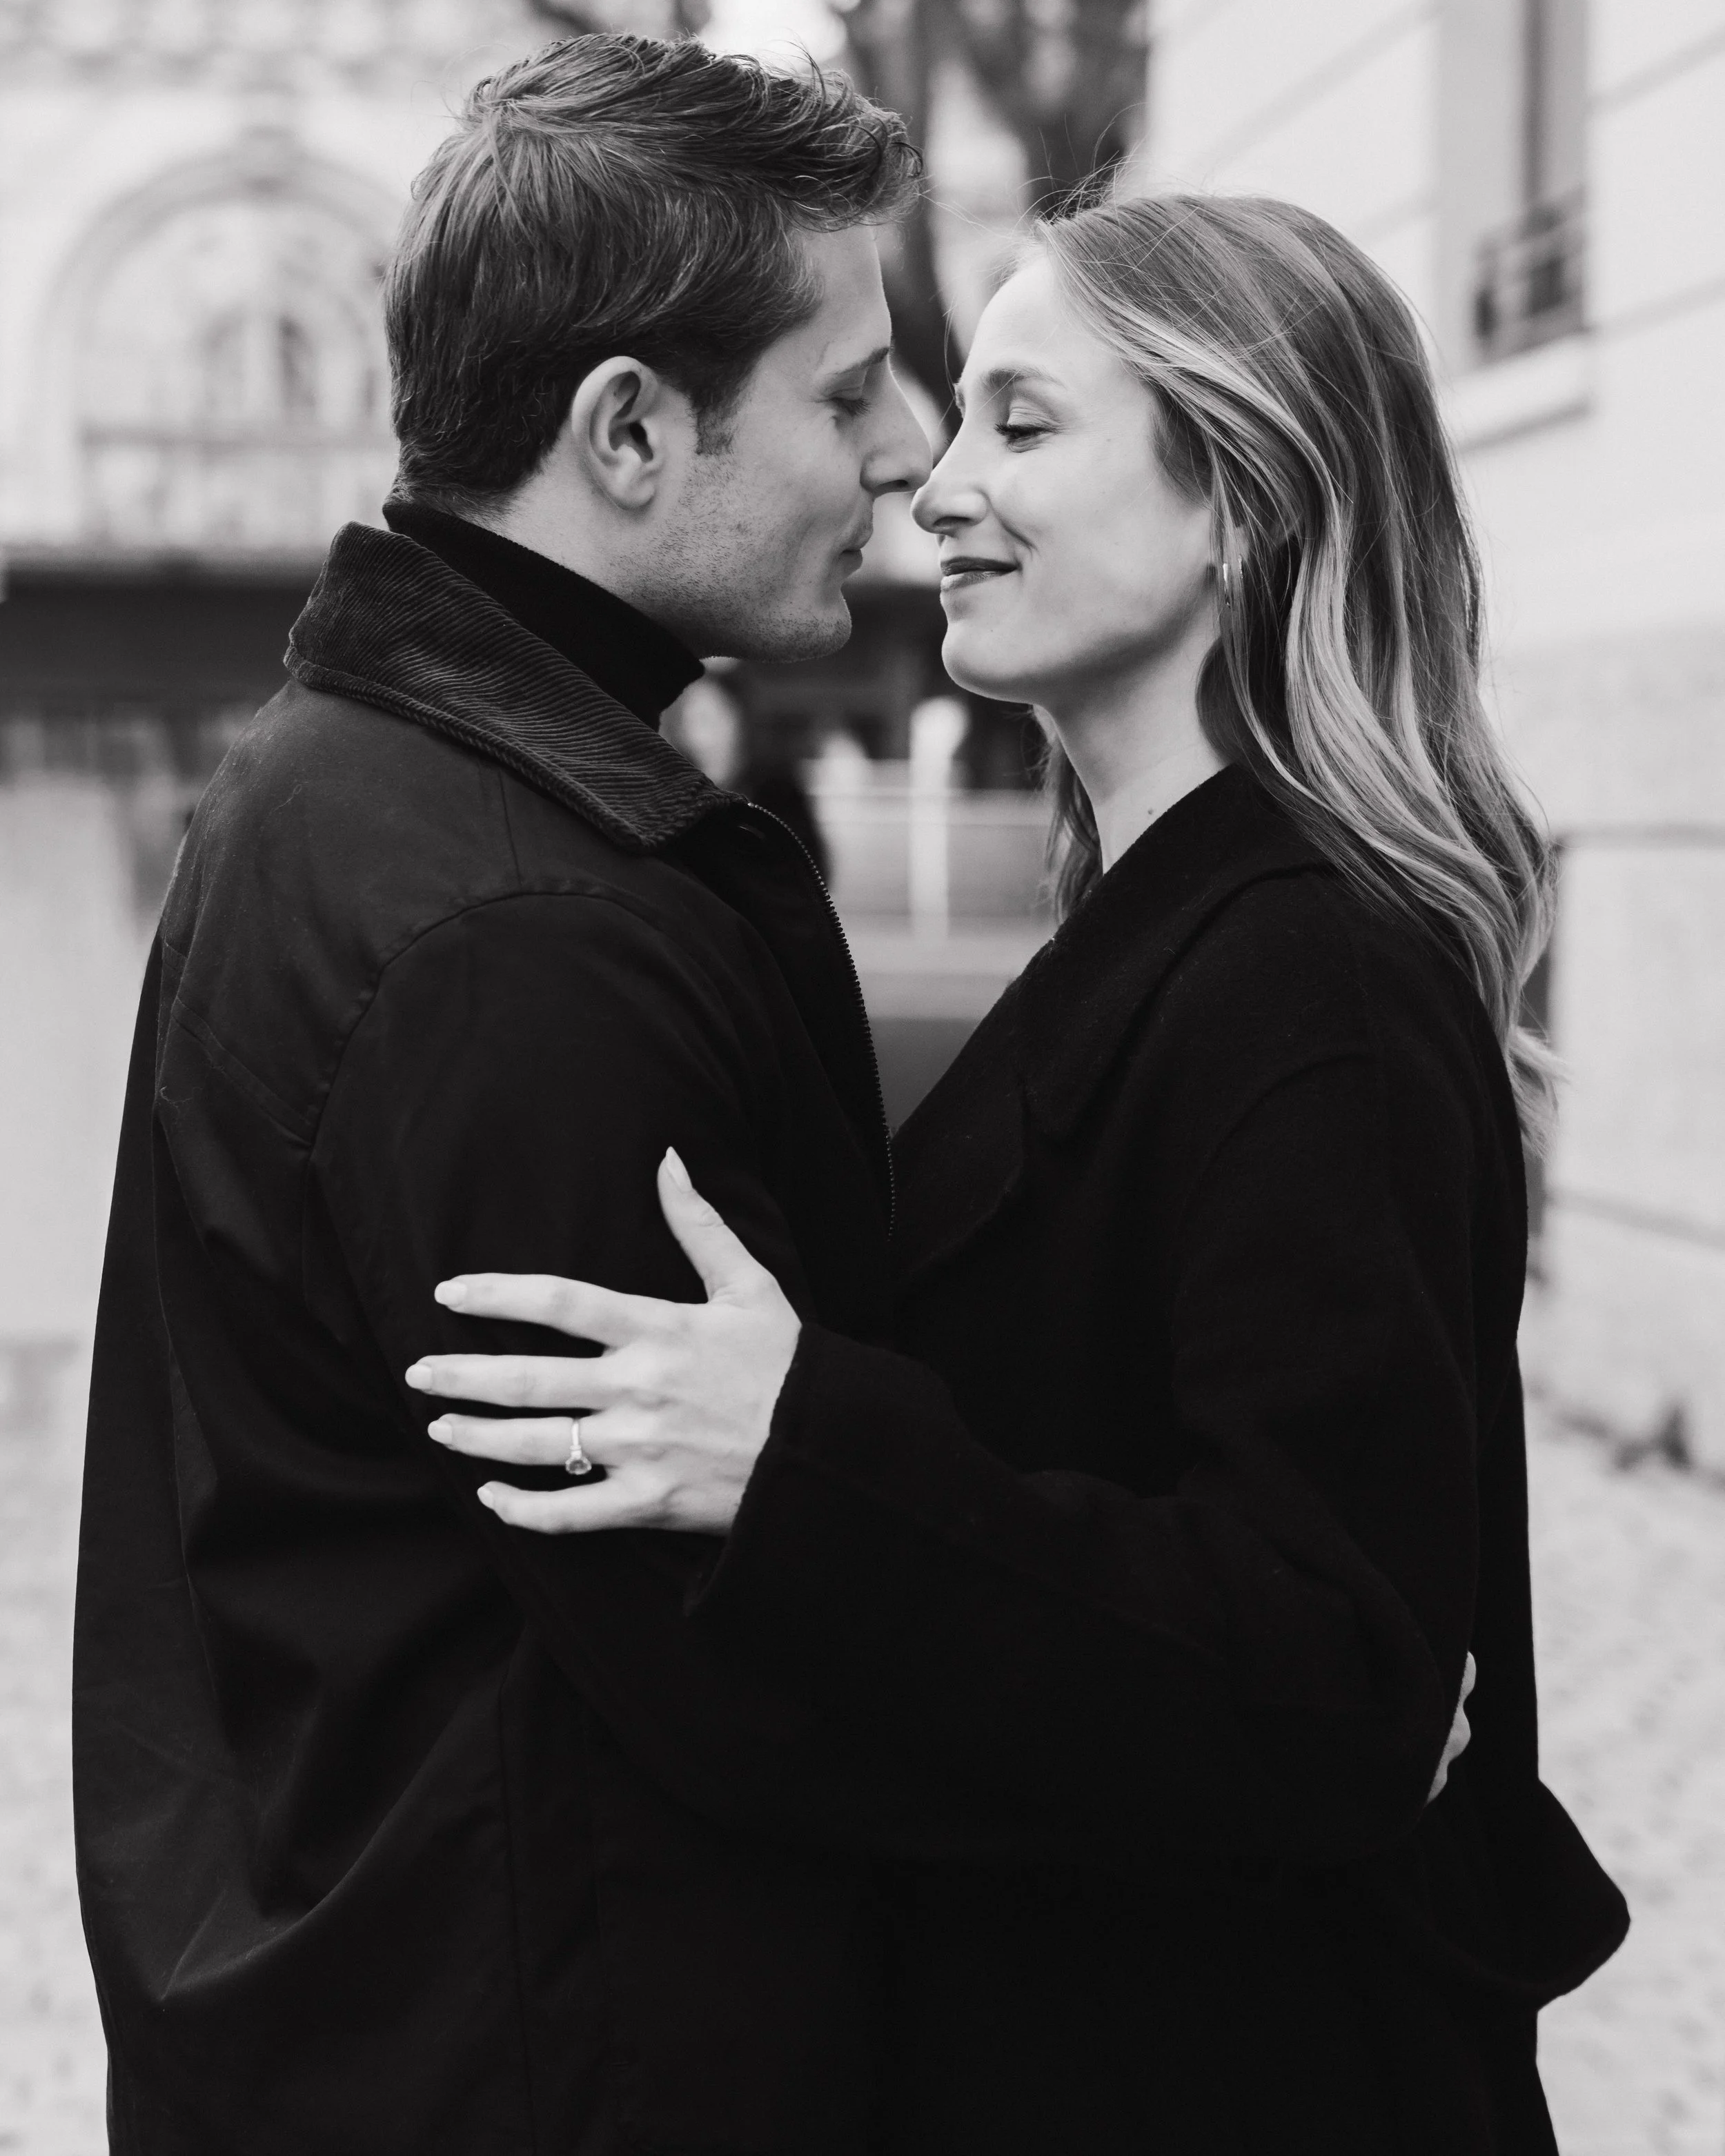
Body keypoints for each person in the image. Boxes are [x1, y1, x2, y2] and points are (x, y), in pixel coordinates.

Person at [411, 194, 1630, 2153]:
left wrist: (800, 1443)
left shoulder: (1312, 972)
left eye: (1022, 425)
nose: (934, 485)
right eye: (949, 420)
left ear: (1236, 499)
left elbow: (1338, 1684)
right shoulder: (1162, 927)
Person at [74, 36, 945, 2153]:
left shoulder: (346, 764)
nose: (909, 450)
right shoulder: (521, 923)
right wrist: (1245, 1716)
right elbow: (723, 1644)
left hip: (365, 2001)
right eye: (846, 392)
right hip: (539, 2049)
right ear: (628, 430)